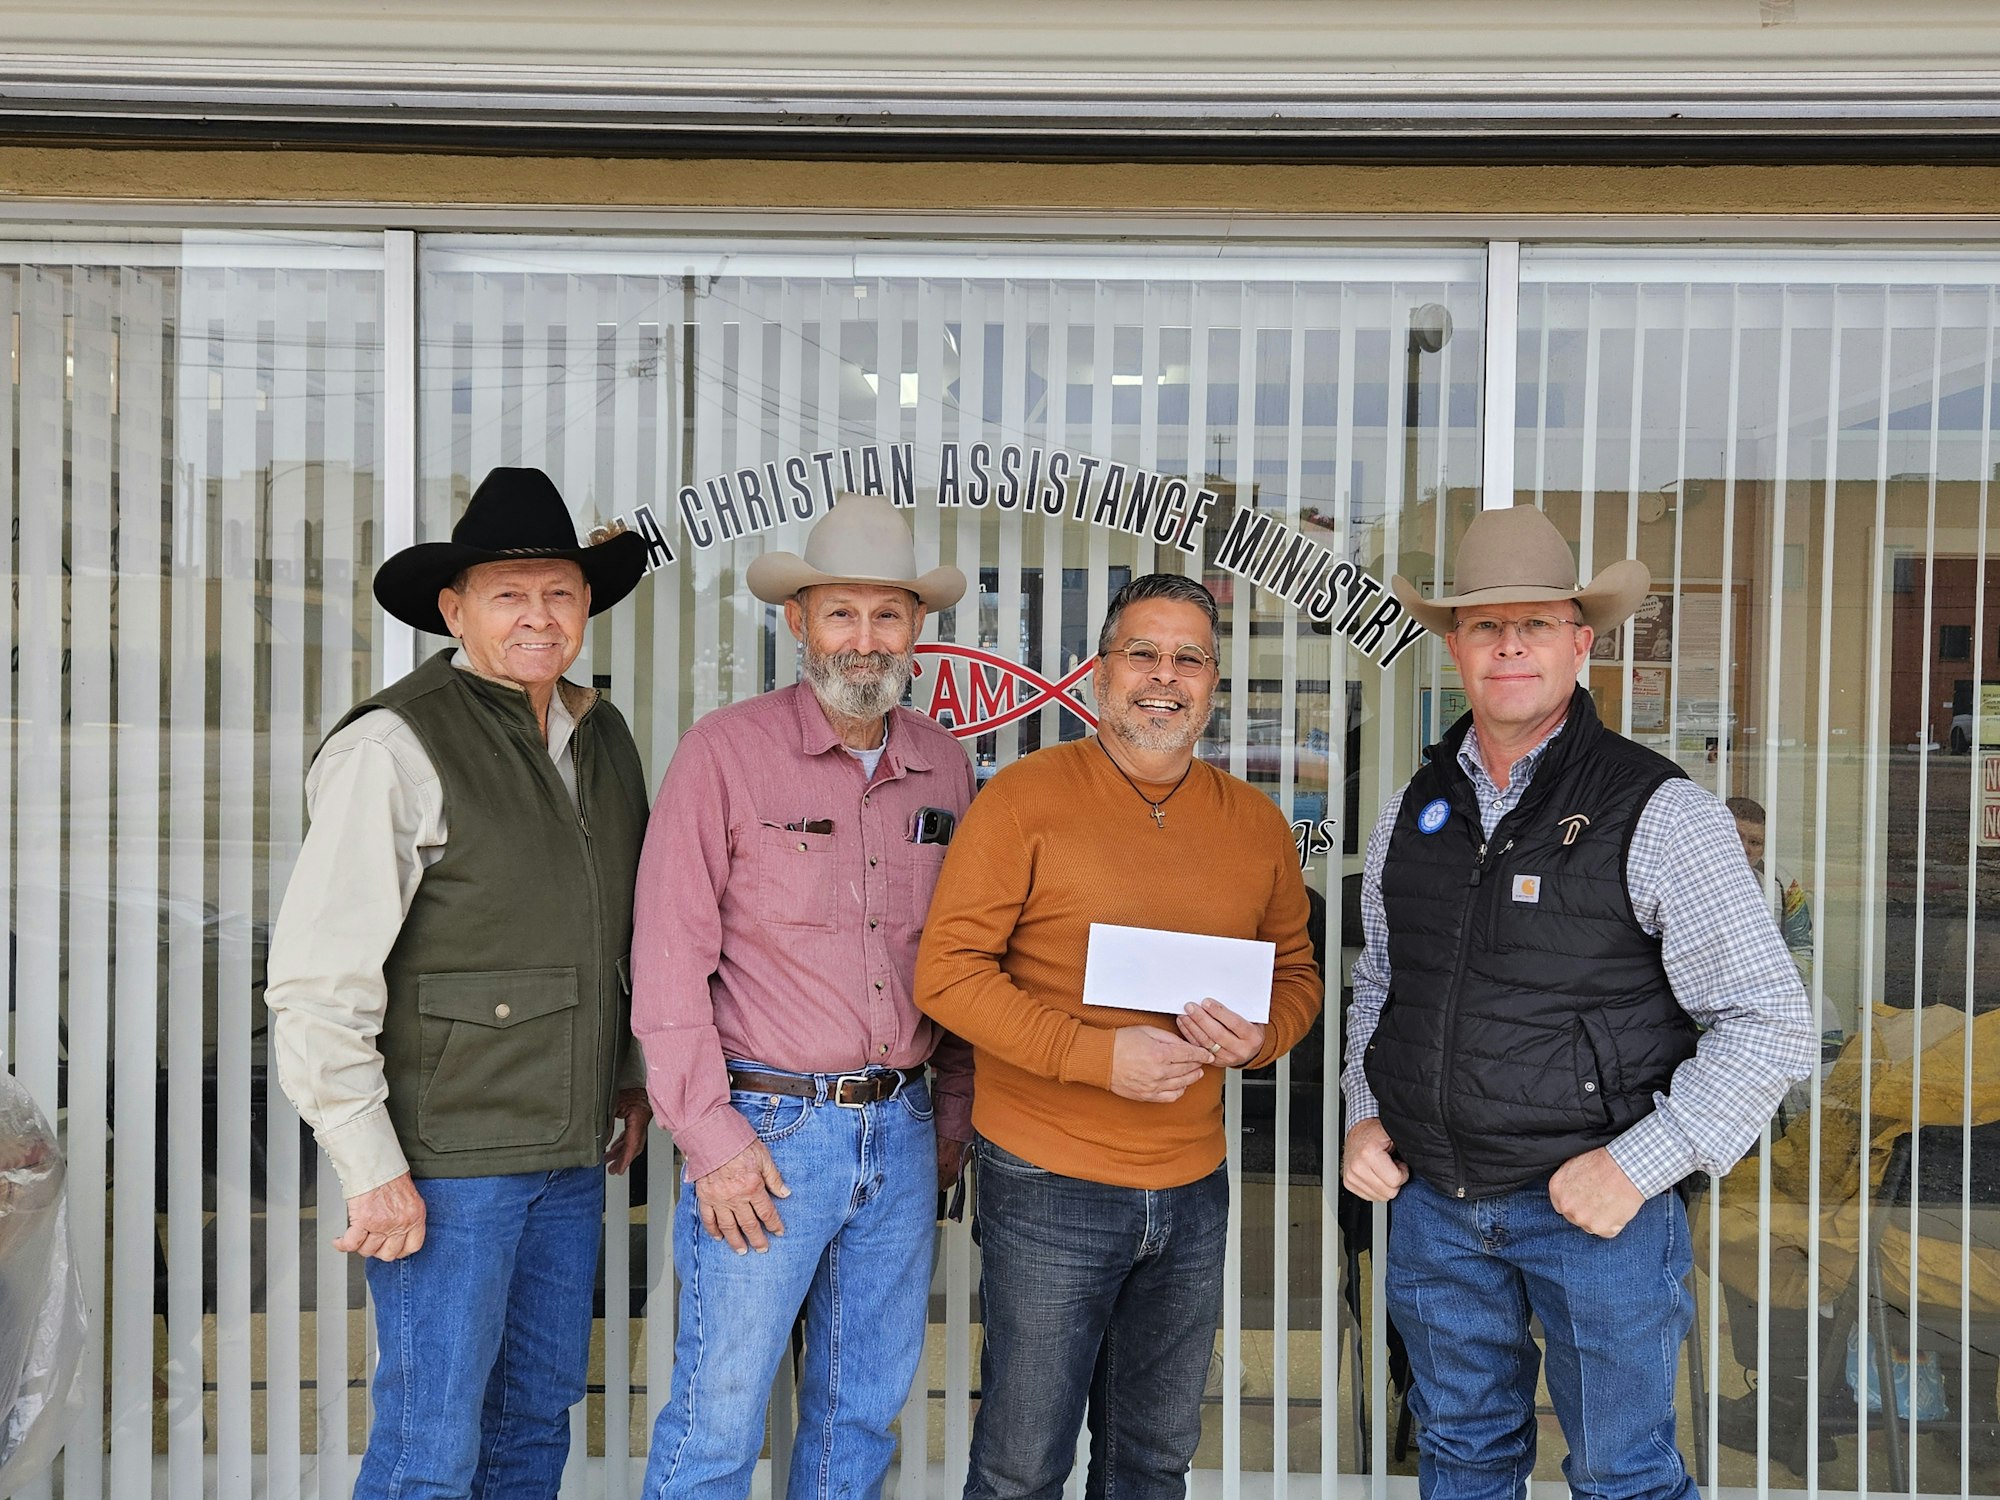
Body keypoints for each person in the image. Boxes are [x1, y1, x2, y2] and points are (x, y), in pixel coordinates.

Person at [1341, 504, 1816, 1500]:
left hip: (1595, 1220)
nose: (1508, 642)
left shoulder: (1660, 811)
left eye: (1535, 621)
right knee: (1460, 1457)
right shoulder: (1409, 808)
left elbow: (1768, 1019)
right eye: (1482, 623)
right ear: (1454, 647)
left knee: (1620, 1473)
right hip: (1436, 1211)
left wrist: (1637, 1166)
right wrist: (1361, 1109)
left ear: (1580, 641)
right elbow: (1383, 981)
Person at [265, 466, 656, 1499]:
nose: (539, 616)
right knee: (431, 1442)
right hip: (447, 1164)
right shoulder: (395, 743)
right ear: (454, 609)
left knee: (532, 1420)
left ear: (586, 607)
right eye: (508, 593)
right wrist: (368, 1162)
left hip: (567, 1154)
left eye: (560, 593)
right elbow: (316, 981)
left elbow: (609, 930)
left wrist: (624, 1077)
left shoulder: (601, 735)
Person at [917, 572, 1322, 1500]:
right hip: (1048, 1183)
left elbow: (1295, 978)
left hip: (1193, 1189)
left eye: (1189, 658)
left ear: (1215, 682)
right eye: (1143, 652)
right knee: (1022, 1467)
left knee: (1151, 1463)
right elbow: (946, 975)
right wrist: (1098, 1058)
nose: (1164, 676)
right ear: (1100, 674)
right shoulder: (1023, 799)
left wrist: (1256, 1039)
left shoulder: (1258, 825)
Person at [634, 493, 976, 1499]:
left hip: (904, 1133)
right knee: (717, 1417)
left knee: (856, 1419)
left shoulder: (944, 766)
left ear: (915, 627)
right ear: (796, 622)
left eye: (886, 615)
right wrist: (711, 1138)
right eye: (840, 613)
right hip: (765, 1134)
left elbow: (957, 960)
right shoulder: (723, 754)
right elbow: (665, 961)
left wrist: (948, 1122)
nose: (862, 640)